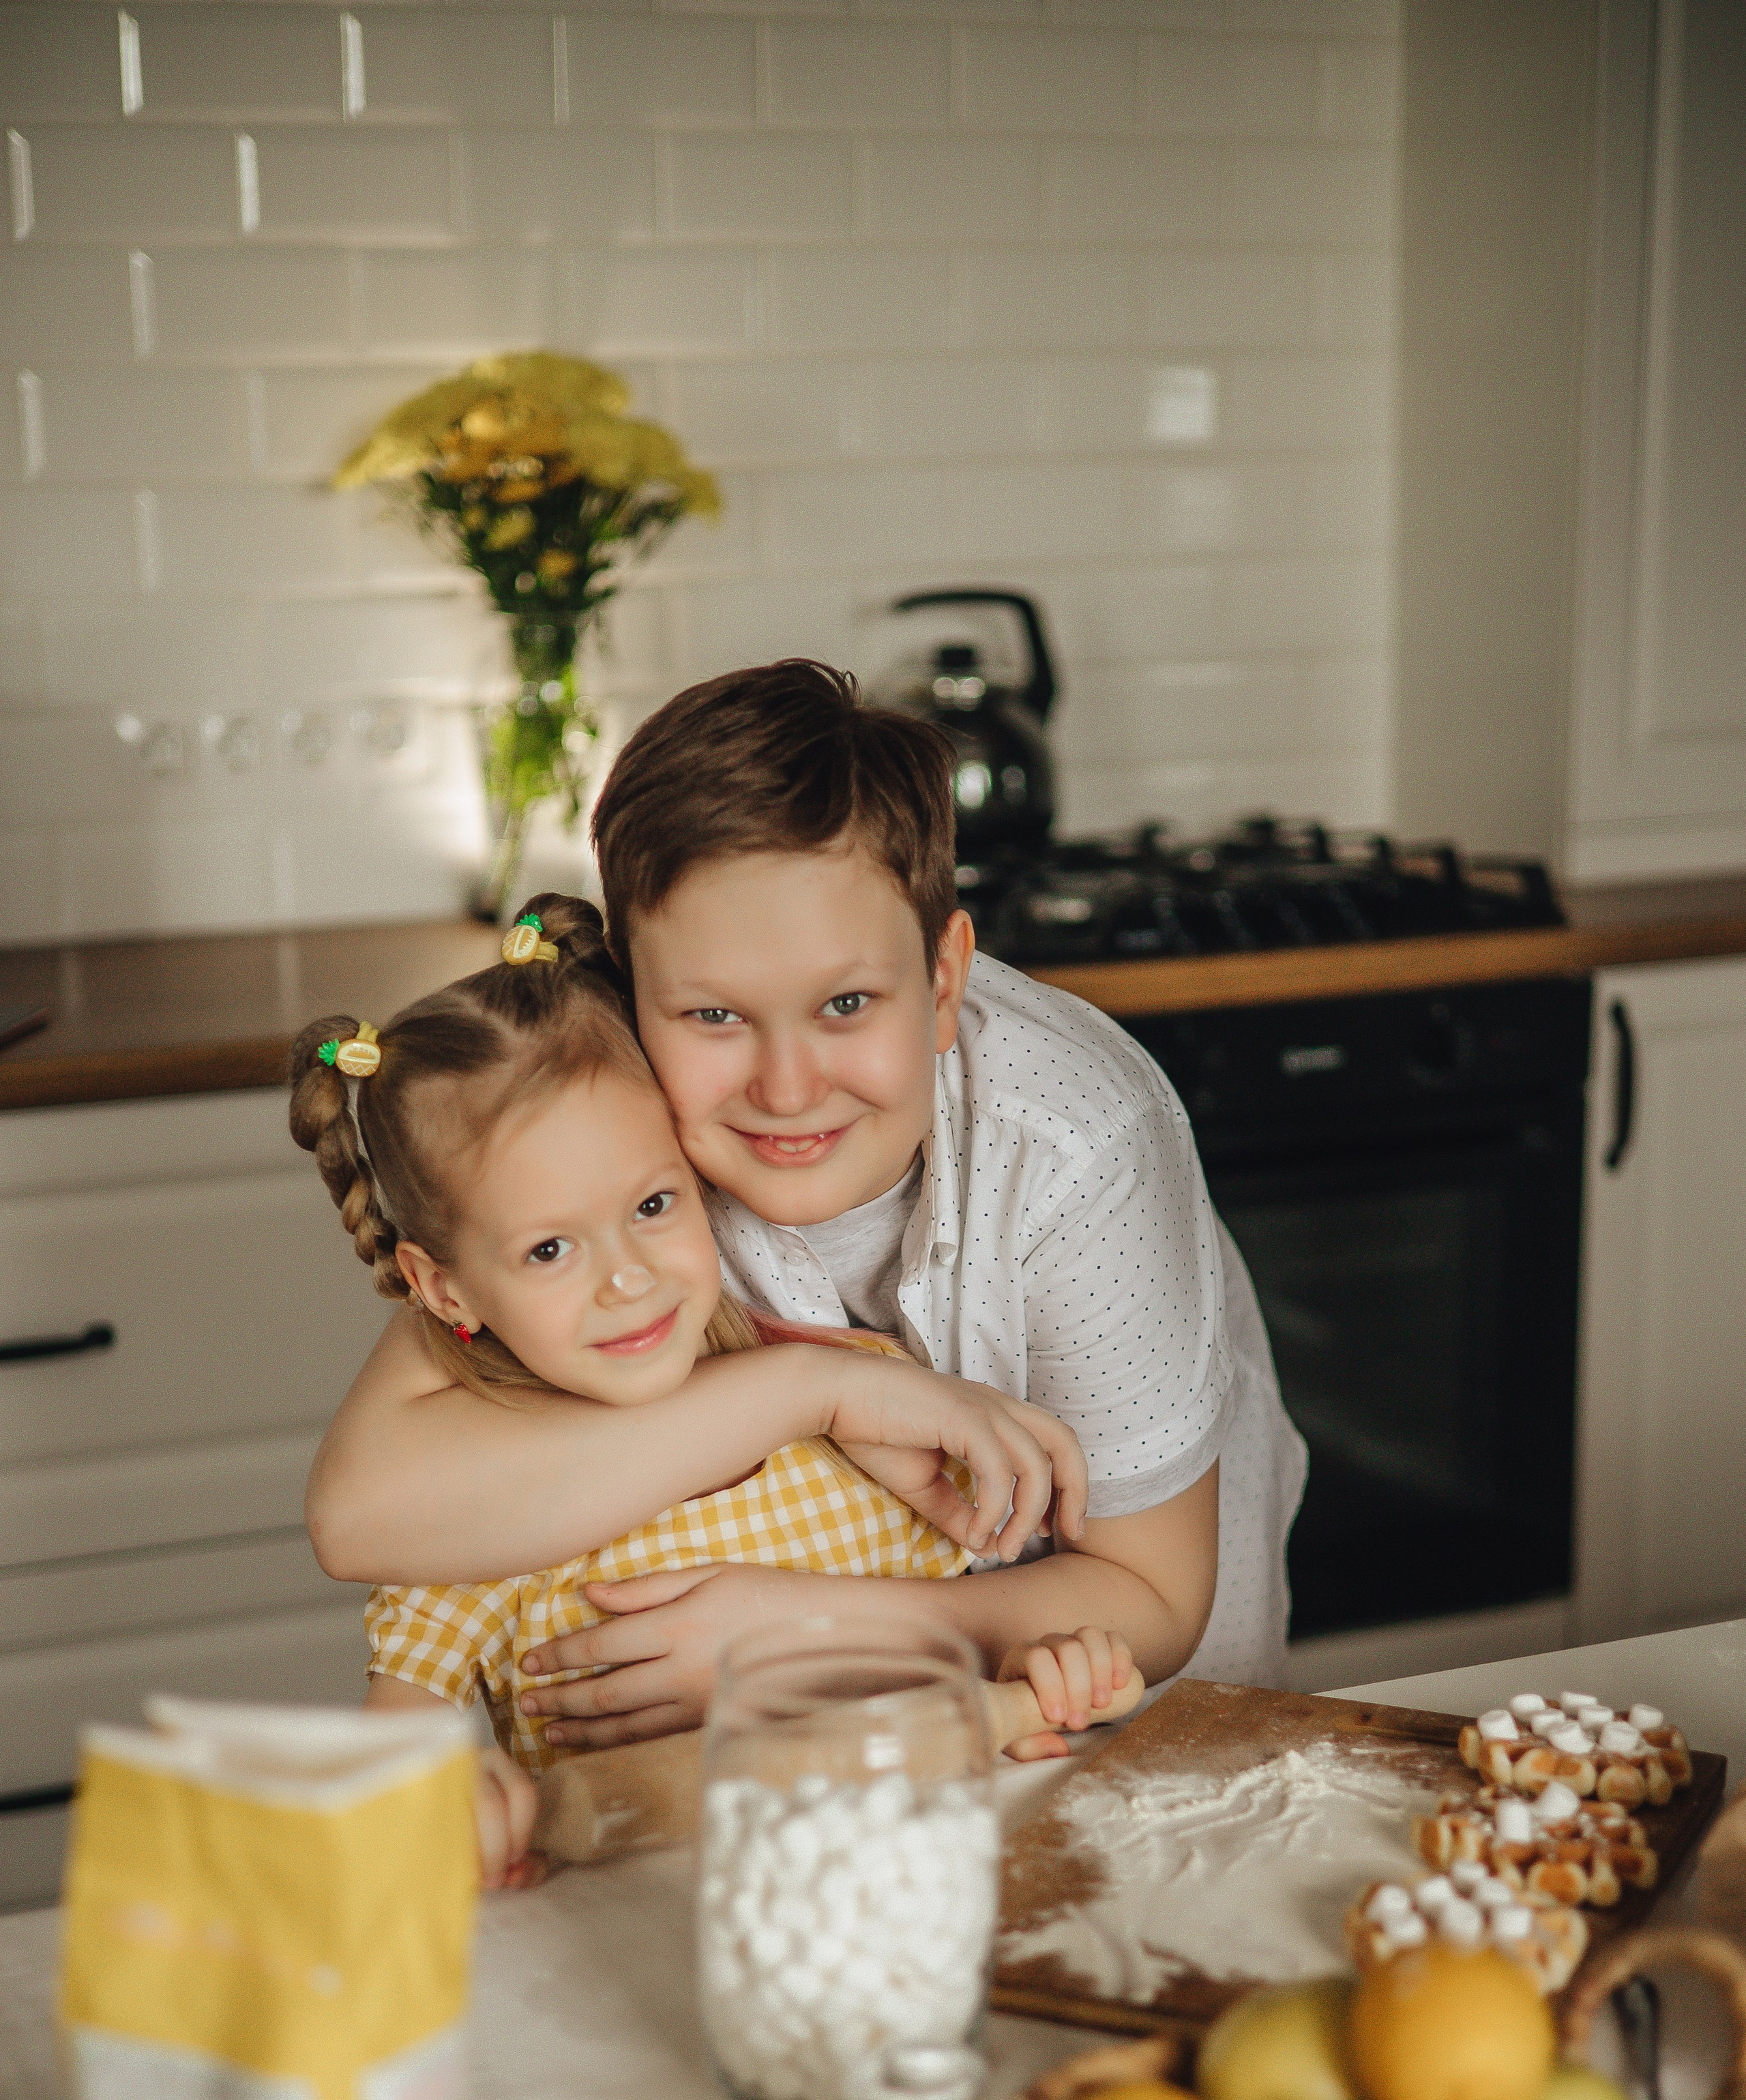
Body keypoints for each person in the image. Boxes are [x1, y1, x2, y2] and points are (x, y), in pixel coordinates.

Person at [308, 661, 1307, 1749]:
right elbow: (361, 1514)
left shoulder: (1077, 1141)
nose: (787, 1091)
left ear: (941, 981)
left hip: (1121, 1699)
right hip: (818, 1755)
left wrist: (810, 1635)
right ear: (628, 997)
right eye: (713, 1014)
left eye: (845, 1002)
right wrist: (810, 1389)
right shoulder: (593, 1102)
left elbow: (1151, 1599)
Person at [290, 893, 1127, 1883]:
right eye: (550, 1247)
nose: (627, 1276)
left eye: (652, 1204)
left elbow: (968, 1662)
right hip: (637, 1953)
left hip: (911, 1899)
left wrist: (1050, 1682)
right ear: (444, 1287)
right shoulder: (468, 1527)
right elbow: (386, 1778)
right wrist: (446, 1807)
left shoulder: (866, 1407)